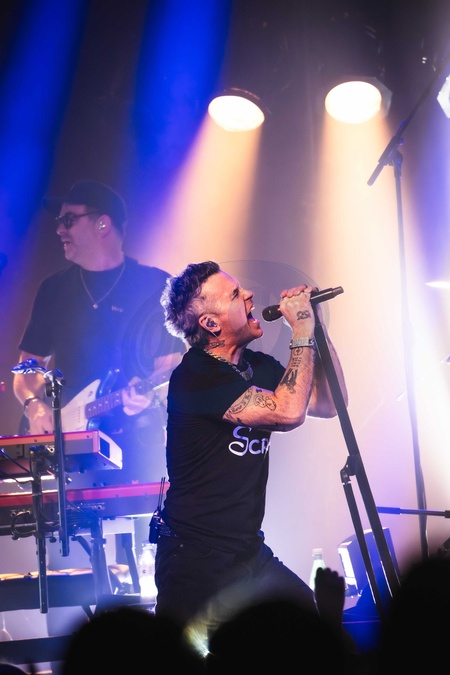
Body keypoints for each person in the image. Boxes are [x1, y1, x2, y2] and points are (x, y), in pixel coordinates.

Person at [11, 180, 184, 630]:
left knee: (146, 556)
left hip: (138, 448)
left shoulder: (155, 285)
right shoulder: (54, 289)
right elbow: (25, 368)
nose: (59, 230)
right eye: (58, 221)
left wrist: (148, 397)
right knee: (70, 569)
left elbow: (173, 367)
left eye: (69, 220)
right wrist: (34, 405)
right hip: (70, 452)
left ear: (103, 224)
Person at [155, 260, 348, 644]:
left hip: (247, 553)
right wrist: (301, 330)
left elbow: (330, 404)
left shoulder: (257, 366)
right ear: (210, 323)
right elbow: (288, 413)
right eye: (235, 294)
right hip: (196, 561)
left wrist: (317, 329)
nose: (249, 295)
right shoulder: (195, 376)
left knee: (310, 633)